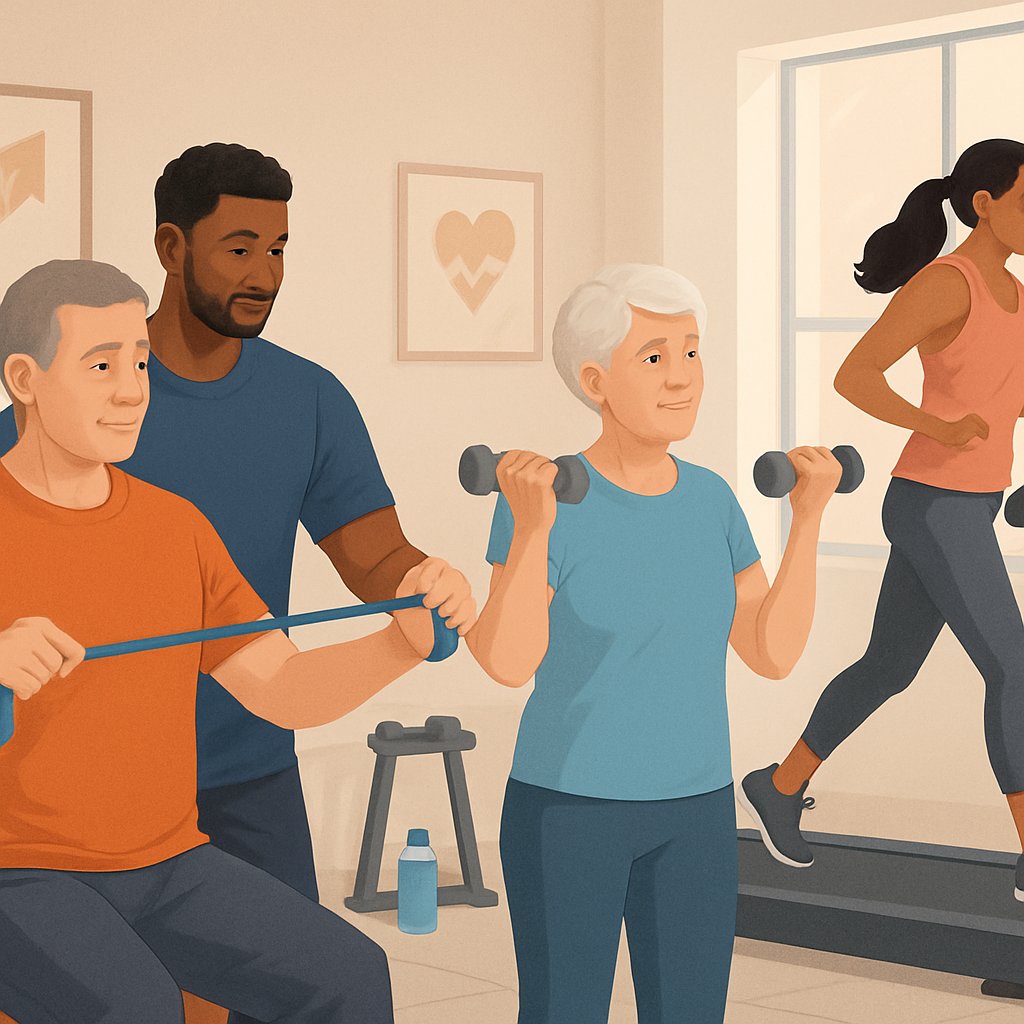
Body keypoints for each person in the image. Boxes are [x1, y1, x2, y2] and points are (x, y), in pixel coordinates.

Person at [0, 143, 473, 979]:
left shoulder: (292, 415)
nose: (264, 272)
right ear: (173, 249)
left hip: (234, 777)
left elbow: (363, 577)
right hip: (51, 816)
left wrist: (418, 601)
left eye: (278, 248)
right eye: (239, 248)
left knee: (324, 979)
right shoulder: (47, 427)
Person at [466, 263, 842, 1024]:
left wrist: (807, 521)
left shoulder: (712, 500)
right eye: (655, 357)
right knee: (565, 1011)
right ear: (596, 380)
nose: (683, 378)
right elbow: (506, 662)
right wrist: (534, 526)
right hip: (569, 812)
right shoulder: (545, 499)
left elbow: (770, 652)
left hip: (695, 813)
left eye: (693, 352)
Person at [739, 138, 1024, 902]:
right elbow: (856, 373)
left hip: (974, 502)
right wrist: (939, 428)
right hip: (933, 505)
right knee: (1015, 667)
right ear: (987, 205)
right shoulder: (947, 283)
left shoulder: (1016, 293)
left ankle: (779, 783)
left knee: (889, 667)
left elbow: (1006, 395)